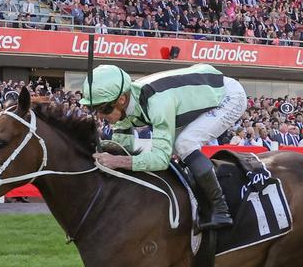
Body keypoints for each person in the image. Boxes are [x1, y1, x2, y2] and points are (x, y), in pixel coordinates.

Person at [80, 63, 247, 230]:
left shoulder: (157, 103)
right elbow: (121, 147)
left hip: (228, 96)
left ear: (122, 100)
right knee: (171, 146)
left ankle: (220, 210)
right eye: (94, 109)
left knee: (184, 143)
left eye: (102, 109)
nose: (100, 116)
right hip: (196, 95)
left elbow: (161, 159)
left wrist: (118, 161)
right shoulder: (124, 106)